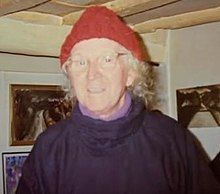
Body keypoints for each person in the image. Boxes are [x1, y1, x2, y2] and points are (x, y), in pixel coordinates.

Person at [16, 6, 220, 194]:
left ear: (131, 73)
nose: (92, 75)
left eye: (107, 59)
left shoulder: (171, 139)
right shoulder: (49, 147)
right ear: (69, 75)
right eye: (80, 62)